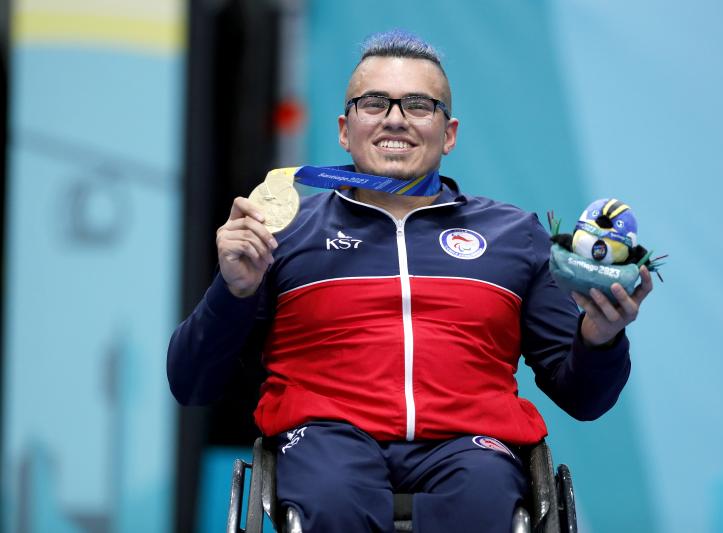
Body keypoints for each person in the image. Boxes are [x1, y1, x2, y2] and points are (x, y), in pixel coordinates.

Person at [167, 30, 652, 533]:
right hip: (325, 437)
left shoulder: (513, 234)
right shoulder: (280, 235)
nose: (395, 118)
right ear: (343, 128)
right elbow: (192, 383)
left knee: (484, 495)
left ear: (449, 133)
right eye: (374, 102)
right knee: (334, 494)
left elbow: (585, 398)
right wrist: (234, 290)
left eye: (419, 105)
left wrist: (599, 337)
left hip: (470, 442)